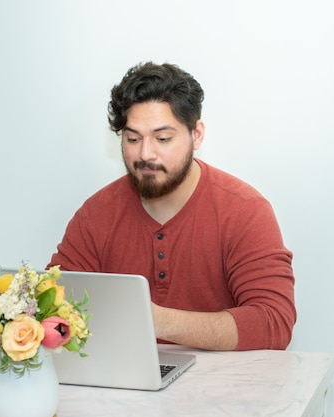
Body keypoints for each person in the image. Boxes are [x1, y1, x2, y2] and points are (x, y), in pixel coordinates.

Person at [48, 62, 296, 351]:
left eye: (163, 138)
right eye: (132, 138)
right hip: (124, 385)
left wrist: (156, 320)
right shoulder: (96, 214)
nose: (145, 153)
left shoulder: (244, 211)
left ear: (197, 134)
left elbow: (274, 322)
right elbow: (53, 306)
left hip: (225, 387)